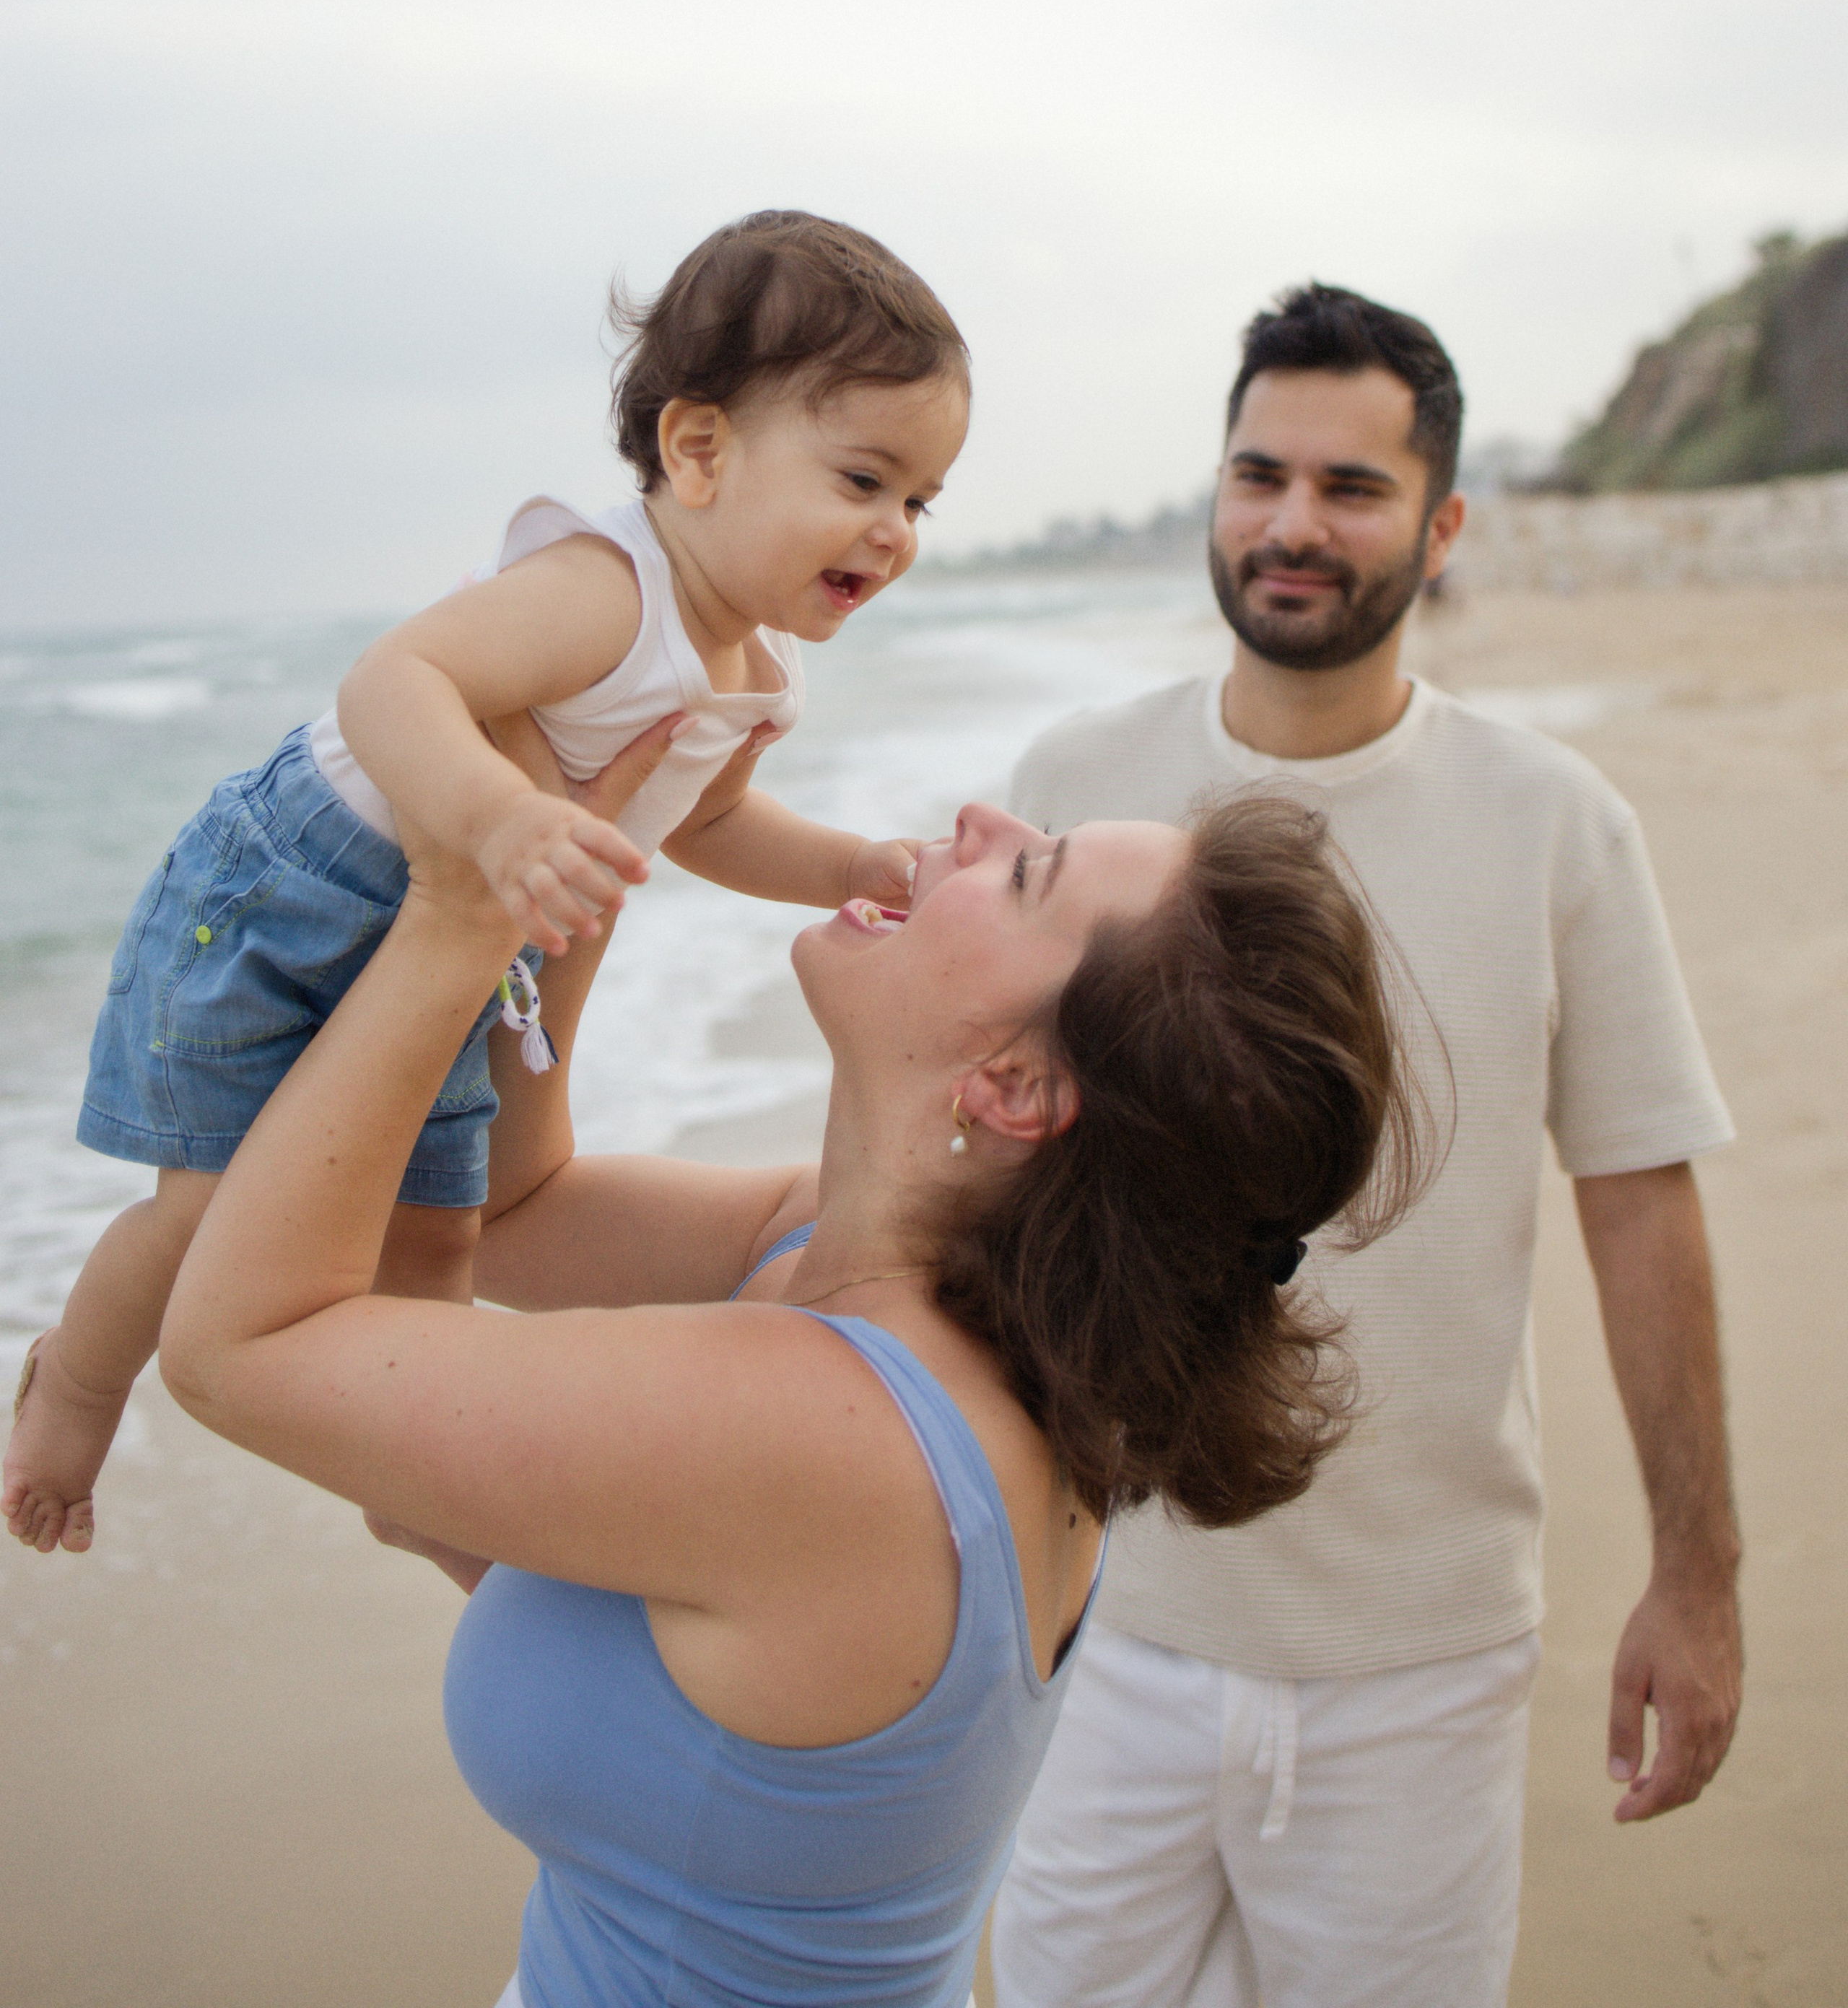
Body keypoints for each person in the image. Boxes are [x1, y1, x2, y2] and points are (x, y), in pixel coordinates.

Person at [154, 691, 1418, 2008]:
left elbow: (239, 1345)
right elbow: (519, 1212)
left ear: (1019, 1089)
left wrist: (457, 913)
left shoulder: (844, 1433)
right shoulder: (888, 1283)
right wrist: (590, 848)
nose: (981, 819)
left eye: (1028, 867)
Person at [991, 283, 1743, 2008]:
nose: (1291, 526)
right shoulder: (1075, 781)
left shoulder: (1552, 821)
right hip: (1102, 1624)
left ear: (1441, 524)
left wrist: (1693, 1582)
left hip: (1423, 1656)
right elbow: (978, 1164)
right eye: (1258, 476)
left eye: (1350, 487)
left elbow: (1638, 1202)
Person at [6, 209, 968, 1554]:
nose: (897, 532)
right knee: (218, 1214)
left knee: (435, 1239)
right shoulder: (604, 590)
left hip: (454, 943)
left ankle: (425, 1488)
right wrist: (504, 819)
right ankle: (79, 1382)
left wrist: (852, 867)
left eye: (920, 500)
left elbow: (706, 823)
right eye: (864, 482)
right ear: (698, 451)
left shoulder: (753, 668)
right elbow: (395, 679)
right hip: (302, 895)